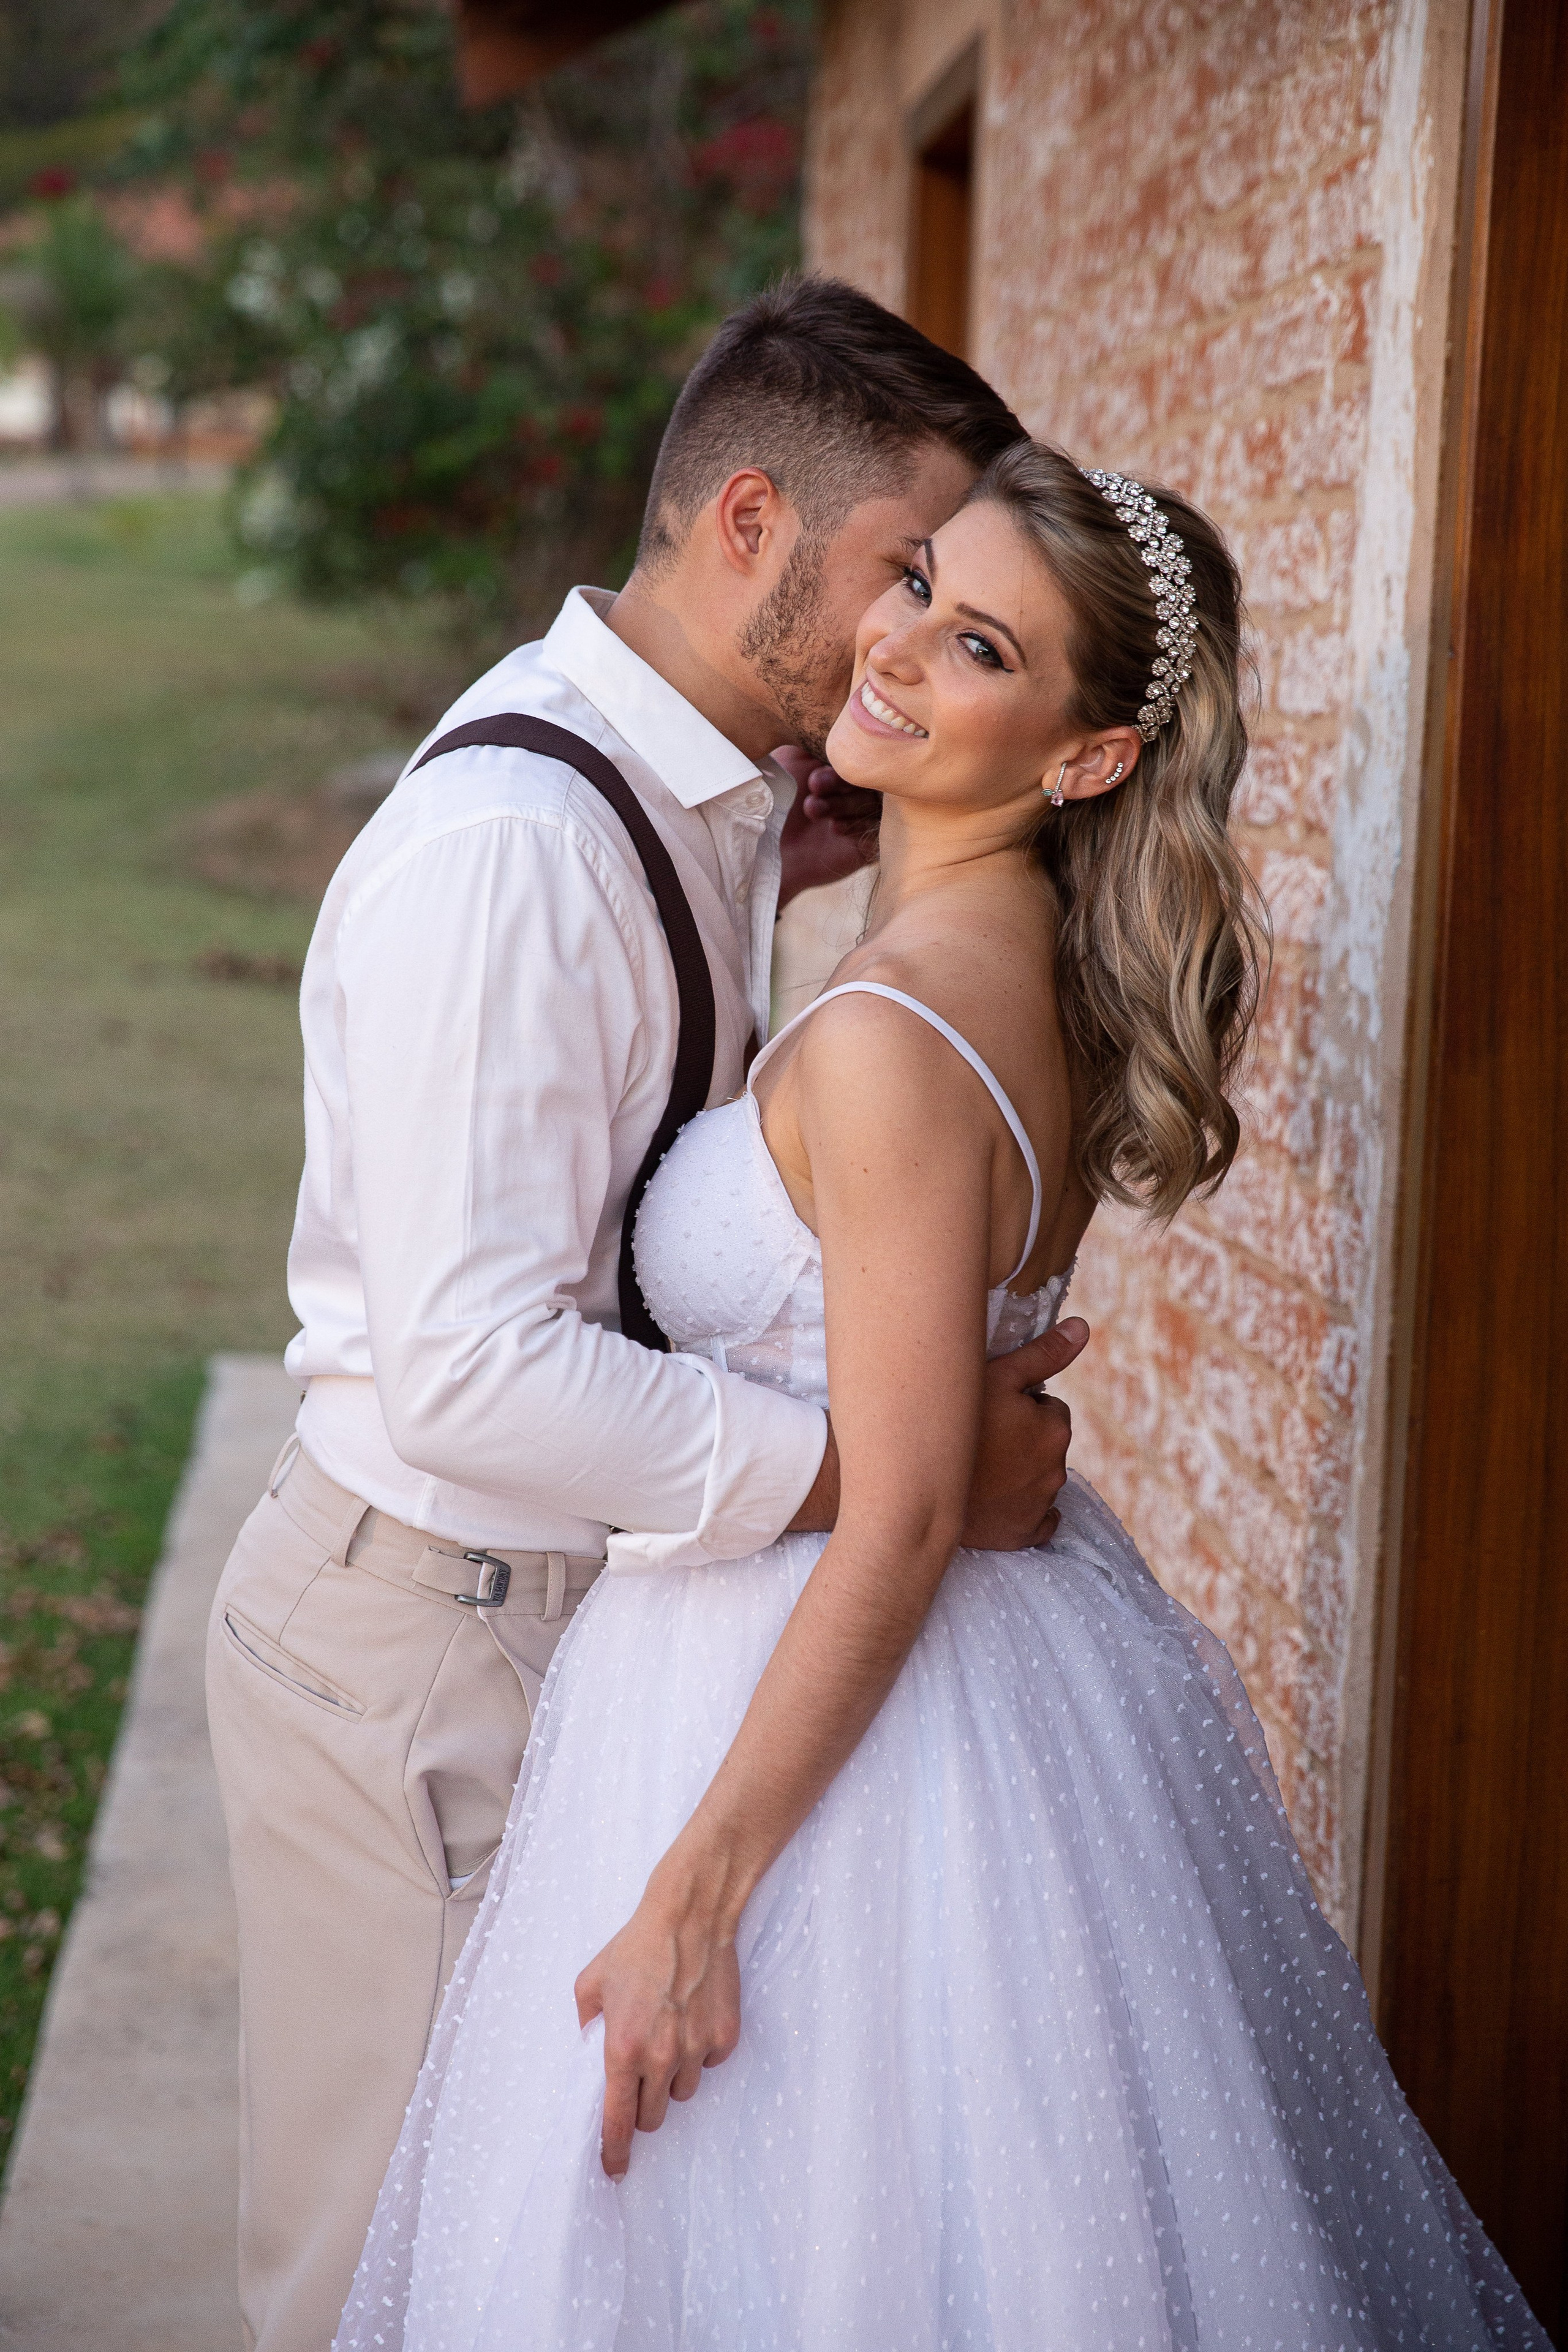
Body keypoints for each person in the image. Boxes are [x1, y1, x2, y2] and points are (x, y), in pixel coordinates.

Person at [338, 444, 1548, 2351]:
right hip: (950, 1677)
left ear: (1083, 757)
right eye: (919, 586)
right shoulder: (1012, 972)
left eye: (978, 644)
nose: (896, 649)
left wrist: (693, 1899)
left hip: (821, 1732)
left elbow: (904, 1510)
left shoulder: (902, 1034)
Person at [205, 278, 1092, 2352]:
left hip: (568, 1621)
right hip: (422, 1638)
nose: (898, 636)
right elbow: (470, 1364)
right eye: (901, 576)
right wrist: (895, 1474)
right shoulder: (519, 847)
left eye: (954, 613)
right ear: (753, 520)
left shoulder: (712, 798)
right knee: (394, 2289)